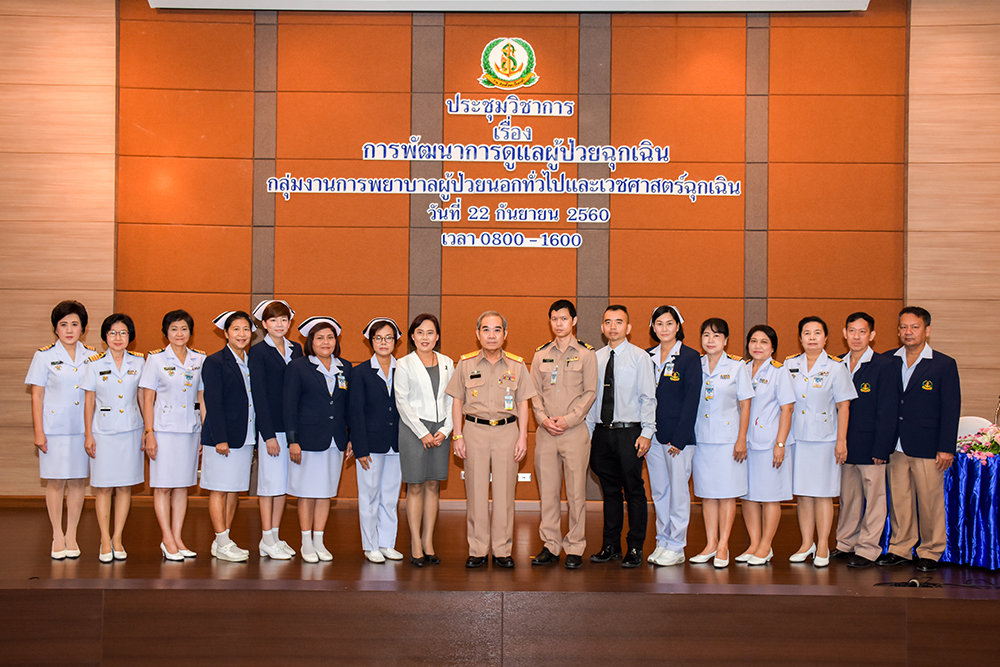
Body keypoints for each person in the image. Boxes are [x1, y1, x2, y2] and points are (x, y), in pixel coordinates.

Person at [447, 311, 536, 569]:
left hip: (507, 432)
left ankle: (502, 550)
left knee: (505, 493)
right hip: (474, 431)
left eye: (497, 330)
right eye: (486, 330)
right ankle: (476, 549)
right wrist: (458, 435)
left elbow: (523, 404)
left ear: (505, 335)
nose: (491, 335)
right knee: (475, 492)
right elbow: (457, 401)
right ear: (478, 334)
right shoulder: (465, 364)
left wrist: (523, 438)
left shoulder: (517, 366)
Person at [877, 306, 960, 573]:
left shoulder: (943, 364)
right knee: (899, 500)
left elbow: (951, 408)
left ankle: (931, 550)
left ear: (927, 330)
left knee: (930, 500)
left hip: (927, 444)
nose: (908, 332)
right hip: (896, 445)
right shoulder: (889, 359)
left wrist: (946, 447)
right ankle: (900, 547)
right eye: (903, 327)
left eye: (914, 327)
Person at [585, 305, 656, 569]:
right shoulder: (594, 357)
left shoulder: (640, 358)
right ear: (602, 328)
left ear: (628, 328)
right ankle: (610, 545)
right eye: (607, 322)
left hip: (630, 433)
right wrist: (590, 436)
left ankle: (635, 547)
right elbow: (591, 401)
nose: (612, 327)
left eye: (618, 322)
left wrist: (647, 432)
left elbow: (649, 397)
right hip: (602, 434)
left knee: (634, 491)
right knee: (610, 492)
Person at [528, 300, 597, 570]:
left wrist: (568, 420)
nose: (559, 323)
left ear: (574, 321)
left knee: (576, 492)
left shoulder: (587, 354)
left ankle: (575, 546)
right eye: (554, 319)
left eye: (564, 319)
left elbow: (590, 392)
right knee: (548, 491)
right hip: (546, 432)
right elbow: (532, 393)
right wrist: (543, 419)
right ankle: (551, 544)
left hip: (574, 431)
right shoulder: (540, 355)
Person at [25, 300, 96, 560]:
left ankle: (71, 535)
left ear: (83, 329)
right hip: (54, 429)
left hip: (83, 429)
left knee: (78, 481)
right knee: (55, 482)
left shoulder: (93, 355)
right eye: (63, 324)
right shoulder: (43, 356)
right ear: (55, 329)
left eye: (74, 324)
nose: (69, 330)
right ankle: (57, 534)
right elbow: (36, 397)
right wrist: (38, 432)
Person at [785, 316, 856, 568]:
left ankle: (824, 543)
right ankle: (807, 543)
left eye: (817, 333)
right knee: (803, 494)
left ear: (826, 338)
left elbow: (844, 407)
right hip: (797, 438)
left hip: (826, 440)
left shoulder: (836, 367)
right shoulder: (789, 364)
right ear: (800, 337)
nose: (812, 338)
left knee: (824, 494)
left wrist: (841, 441)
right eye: (807, 333)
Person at [833, 312, 898, 568]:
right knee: (848, 498)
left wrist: (882, 446)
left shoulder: (884, 365)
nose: (856, 336)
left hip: (872, 446)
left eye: (862, 332)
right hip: (843, 445)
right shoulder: (836, 363)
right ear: (844, 332)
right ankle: (845, 544)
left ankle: (868, 548)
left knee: (875, 499)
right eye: (852, 331)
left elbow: (888, 410)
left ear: (871, 335)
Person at [139, 309, 206, 560]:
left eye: (184, 329)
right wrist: (149, 432)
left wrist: (203, 431)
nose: (179, 334)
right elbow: (148, 399)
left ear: (191, 332)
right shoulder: (155, 360)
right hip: (163, 431)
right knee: (163, 486)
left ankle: (178, 537)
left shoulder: (199, 359)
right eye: (174, 329)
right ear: (166, 333)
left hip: (189, 430)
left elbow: (201, 398)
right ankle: (166, 538)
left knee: (182, 487)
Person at [284, 316, 351, 563]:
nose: (326, 342)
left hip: (334, 440)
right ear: (310, 341)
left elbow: (348, 407)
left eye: (330, 337)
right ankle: (305, 541)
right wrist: (293, 439)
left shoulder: (344, 367)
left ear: (336, 341)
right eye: (320, 337)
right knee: (307, 492)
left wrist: (350, 436)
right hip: (307, 440)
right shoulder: (298, 367)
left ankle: (319, 540)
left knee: (325, 492)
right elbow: (289, 406)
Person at [689, 318, 754, 569]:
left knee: (726, 494)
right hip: (702, 438)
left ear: (726, 340)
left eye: (716, 336)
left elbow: (745, 404)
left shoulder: (738, 366)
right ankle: (710, 543)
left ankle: (723, 545)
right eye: (706, 335)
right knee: (707, 494)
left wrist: (741, 439)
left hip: (729, 440)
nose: (710, 340)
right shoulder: (696, 365)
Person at [82, 313, 145, 562]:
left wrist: (147, 431)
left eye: (123, 333)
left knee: (125, 486)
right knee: (104, 487)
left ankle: (118, 537)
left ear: (130, 336)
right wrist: (88, 434)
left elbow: (143, 399)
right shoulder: (94, 363)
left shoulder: (140, 363)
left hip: (131, 430)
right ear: (105, 336)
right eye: (112, 333)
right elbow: (88, 402)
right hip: (103, 432)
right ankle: (104, 539)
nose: (118, 338)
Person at [394, 314, 454, 567]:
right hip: (413, 430)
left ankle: (428, 541)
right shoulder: (404, 364)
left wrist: (447, 429)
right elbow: (402, 401)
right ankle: (415, 544)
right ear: (412, 337)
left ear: (437, 336)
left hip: (441, 431)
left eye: (430, 332)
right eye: (419, 332)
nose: (425, 337)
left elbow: (453, 399)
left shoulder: (448, 362)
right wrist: (422, 432)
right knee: (415, 486)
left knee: (433, 485)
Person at [645, 305, 700, 568]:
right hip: (653, 437)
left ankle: (677, 545)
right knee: (659, 492)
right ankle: (663, 540)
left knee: (678, 493)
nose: (664, 328)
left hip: (677, 440)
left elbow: (692, 401)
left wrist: (679, 439)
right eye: (659, 324)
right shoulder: (647, 356)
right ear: (652, 327)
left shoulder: (690, 357)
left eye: (669, 323)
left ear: (678, 326)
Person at [200, 311, 257, 563]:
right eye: (236, 329)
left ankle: (222, 540)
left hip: (245, 436)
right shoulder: (214, 362)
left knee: (234, 489)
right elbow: (213, 402)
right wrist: (220, 437)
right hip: (221, 438)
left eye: (246, 329)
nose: (241, 334)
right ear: (226, 333)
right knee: (218, 489)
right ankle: (222, 540)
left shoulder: (252, 361)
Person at [248, 299, 302, 560]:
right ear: (264, 324)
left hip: (291, 429)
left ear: (289, 323)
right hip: (271, 429)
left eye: (283, 319)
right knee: (269, 484)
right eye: (273, 320)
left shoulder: (297, 349)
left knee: (283, 485)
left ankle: (275, 536)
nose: (279, 324)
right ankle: (266, 536)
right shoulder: (258, 352)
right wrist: (268, 435)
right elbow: (259, 396)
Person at [348, 317, 404, 564]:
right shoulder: (359, 372)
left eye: (388, 338)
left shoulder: (403, 369)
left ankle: (387, 543)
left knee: (390, 497)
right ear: (370, 341)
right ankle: (370, 545)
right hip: (370, 445)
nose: (384, 342)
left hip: (398, 444)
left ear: (396, 341)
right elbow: (355, 412)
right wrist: (360, 447)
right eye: (378, 338)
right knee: (369, 496)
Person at [738, 324, 794, 566]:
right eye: (753, 341)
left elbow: (787, 409)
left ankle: (766, 545)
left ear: (773, 348)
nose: (757, 346)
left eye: (763, 342)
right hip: (745, 442)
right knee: (748, 495)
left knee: (770, 496)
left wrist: (780, 443)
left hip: (771, 442)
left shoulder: (779, 372)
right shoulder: (742, 369)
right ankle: (754, 542)